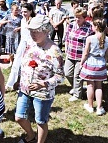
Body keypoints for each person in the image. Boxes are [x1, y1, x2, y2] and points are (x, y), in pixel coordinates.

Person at [15, 15, 64, 143]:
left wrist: (43, 84)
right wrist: (19, 79)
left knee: (40, 121)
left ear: (47, 31)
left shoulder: (54, 51)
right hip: (25, 89)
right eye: (31, 31)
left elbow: (60, 76)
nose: (33, 34)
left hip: (43, 93)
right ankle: (31, 135)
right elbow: (24, 64)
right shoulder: (30, 44)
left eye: (36, 31)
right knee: (19, 117)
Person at [79, 18, 108, 115]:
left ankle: (90, 105)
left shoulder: (90, 38)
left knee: (90, 85)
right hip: (101, 63)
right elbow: (106, 54)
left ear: (96, 27)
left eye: (92, 25)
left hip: (91, 63)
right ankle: (100, 107)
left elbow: (85, 53)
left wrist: (81, 63)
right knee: (99, 86)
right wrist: (104, 62)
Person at [64, 8, 92, 102]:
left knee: (77, 76)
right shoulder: (71, 25)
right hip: (70, 54)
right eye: (76, 17)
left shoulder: (89, 27)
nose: (77, 19)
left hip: (81, 56)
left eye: (79, 17)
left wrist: (85, 57)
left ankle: (77, 95)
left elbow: (89, 44)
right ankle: (76, 87)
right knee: (67, 73)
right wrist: (66, 50)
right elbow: (67, 38)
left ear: (84, 18)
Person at [6, 3, 35, 90]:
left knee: (29, 65)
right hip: (22, 44)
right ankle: (10, 84)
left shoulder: (34, 20)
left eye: (25, 12)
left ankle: (27, 84)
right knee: (16, 64)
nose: (23, 13)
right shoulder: (22, 20)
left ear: (30, 11)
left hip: (32, 45)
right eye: (22, 12)